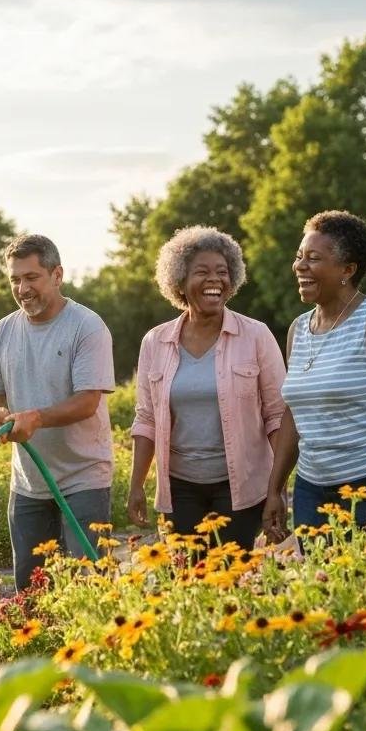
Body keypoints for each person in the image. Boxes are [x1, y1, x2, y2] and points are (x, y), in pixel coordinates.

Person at [263, 210, 366, 543]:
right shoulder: (298, 330)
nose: (300, 266)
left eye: (313, 258)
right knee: (323, 587)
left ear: (347, 270)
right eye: (299, 257)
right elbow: (294, 413)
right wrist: (275, 489)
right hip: (311, 488)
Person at [127, 226, 286, 548]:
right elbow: (146, 420)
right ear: (180, 283)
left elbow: (278, 417)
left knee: (232, 581)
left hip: (241, 487)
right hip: (179, 487)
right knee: (187, 584)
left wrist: (277, 490)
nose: (215, 279)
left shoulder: (256, 336)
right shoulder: (155, 342)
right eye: (202, 272)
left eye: (222, 272)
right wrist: (136, 486)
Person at [0, 233, 115, 589]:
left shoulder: (86, 327)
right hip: (28, 483)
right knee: (30, 586)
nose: (22, 288)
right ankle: (35, 646)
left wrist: (37, 417)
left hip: (84, 477)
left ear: (57, 275)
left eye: (31, 277)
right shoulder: (3, 331)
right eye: (15, 279)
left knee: (89, 584)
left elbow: (88, 400)